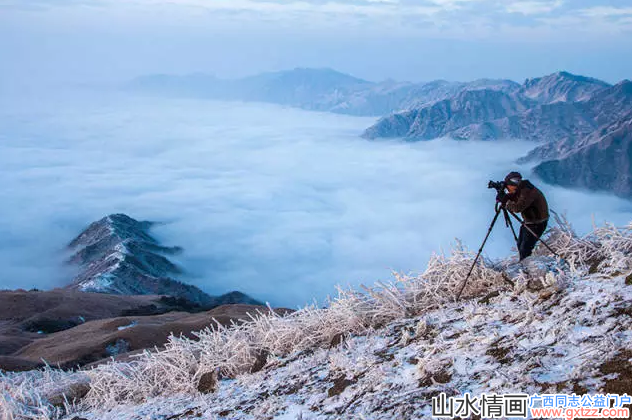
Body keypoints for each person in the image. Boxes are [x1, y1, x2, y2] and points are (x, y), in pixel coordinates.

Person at [496, 171, 550, 260]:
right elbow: (514, 196)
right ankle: (524, 264)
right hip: (530, 222)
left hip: (537, 223)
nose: (507, 189)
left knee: (525, 249)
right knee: (520, 244)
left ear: (513, 185)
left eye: (507, 187)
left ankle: (527, 268)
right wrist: (505, 197)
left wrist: (505, 202)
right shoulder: (522, 187)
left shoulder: (527, 191)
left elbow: (518, 208)